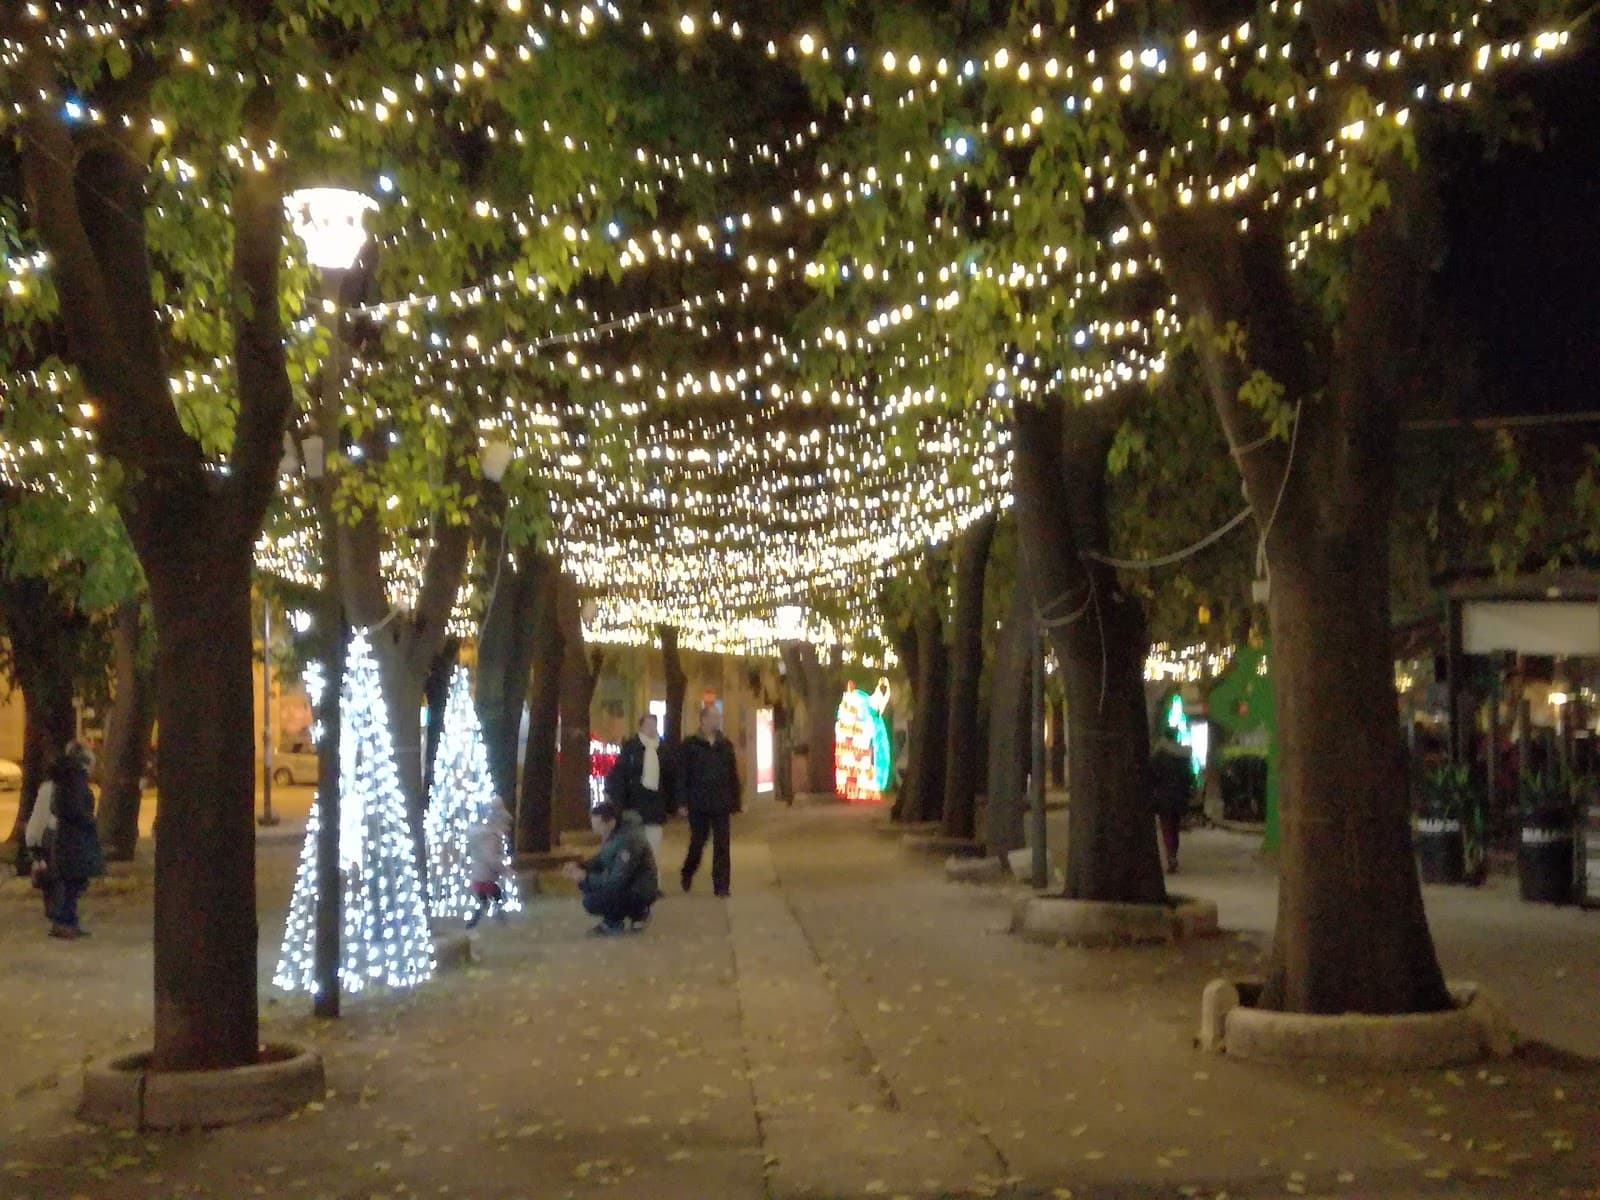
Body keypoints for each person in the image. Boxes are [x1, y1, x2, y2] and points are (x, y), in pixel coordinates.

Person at [562, 800, 658, 935]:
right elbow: (602, 858)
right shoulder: (615, 833)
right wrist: (581, 866)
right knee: (586, 884)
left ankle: (625, 917)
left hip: (639, 890)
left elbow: (617, 880)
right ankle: (628, 915)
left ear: (611, 822)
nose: (595, 830)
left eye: (598, 825)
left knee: (591, 901)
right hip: (630, 884)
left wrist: (586, 877)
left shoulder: (629, 841)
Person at [676, 704, 740, 897]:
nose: (717, 721)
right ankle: (688, 870)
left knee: (722, 844)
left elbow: (732, 774)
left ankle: (721, 886)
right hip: (698, 802)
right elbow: (682, 775)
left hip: (720, 801)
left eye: (718, 717)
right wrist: (681, 802)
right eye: (713, 717)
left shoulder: (725, 745)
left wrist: (735, 800)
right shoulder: (690, 745)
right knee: (698, 842)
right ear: (703, 720)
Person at [43, 742, 104, 939]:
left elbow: (59, 807)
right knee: (73, 882)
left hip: (68, 837)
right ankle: (64, 921)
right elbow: (76, 807)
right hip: (75, 838)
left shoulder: (65, 778)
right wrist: (88, 820)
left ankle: (67, 921)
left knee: (72, 881)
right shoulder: (75, 779)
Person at [605, 713, 673, 856]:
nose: (651, 728)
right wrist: (617, 800)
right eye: (648, 725)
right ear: (640, 727)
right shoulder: (631, 748)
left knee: (653, 847)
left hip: (656, 805)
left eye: (654, 725)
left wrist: (672, 802)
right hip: (634, 805)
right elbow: (619, 774)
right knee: (634, 847)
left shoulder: (663, 749)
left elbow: (670, 776)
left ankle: (651, 876)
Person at [1149, 732, 1194, 874]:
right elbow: (1190, 777)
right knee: (1175, 827)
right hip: (1180, 797)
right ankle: (1173, 854)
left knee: (1167, 827)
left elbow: (1152, 775)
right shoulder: (1184, 756)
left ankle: (1170, 856)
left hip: (1164, 797)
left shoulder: (1160, 755)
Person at [465, 804, 513, 928]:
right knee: (493, 897)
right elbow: (491, 858)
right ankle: (497, 918)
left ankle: (489, 919)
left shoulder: (482, 835)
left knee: (487, 900)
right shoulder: (491, 837)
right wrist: (505, 870)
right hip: (485, 878)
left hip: (479, 876)